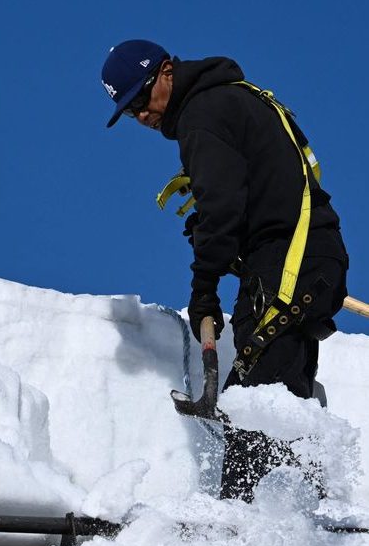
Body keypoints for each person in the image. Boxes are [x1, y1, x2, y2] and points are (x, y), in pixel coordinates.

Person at [100, 40, 349, 502]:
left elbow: (222, 209)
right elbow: (264, 195)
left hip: (291, 266)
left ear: (167, 72)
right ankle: (306, 518)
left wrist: (204, 292)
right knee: (278, 402)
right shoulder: (236, 98)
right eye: (128, 109)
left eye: (140, 98)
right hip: (305, 262)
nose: (140, 115)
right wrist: (234, 245)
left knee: (251, 405)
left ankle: (241, 531)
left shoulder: (203, 113)